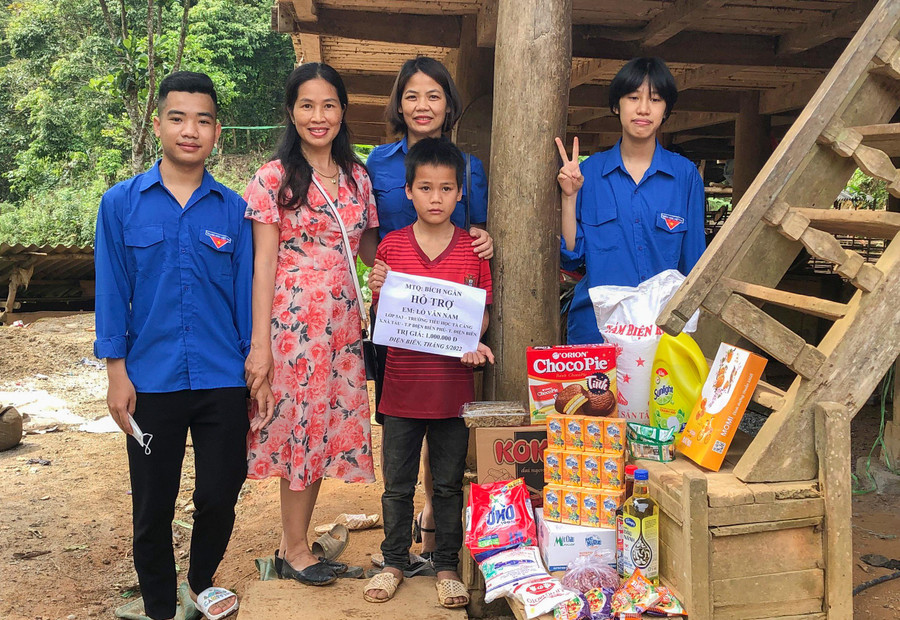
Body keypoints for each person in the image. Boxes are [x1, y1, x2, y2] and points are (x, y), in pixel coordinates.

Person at [94, 71, 261, 620]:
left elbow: (244, 296)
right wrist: (117, 371)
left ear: (217, 131)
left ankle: (199, 582)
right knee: (152, 505)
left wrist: (253, 367)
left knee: (219, 492)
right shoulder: (121, 204)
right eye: (178, 117)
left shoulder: (235, 210)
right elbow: (114, 290)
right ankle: (161, 608)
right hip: (151, 381)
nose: (191, 130)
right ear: (159, 122)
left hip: (222, 377)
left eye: (204, 120)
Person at [242, 63, 378, 587]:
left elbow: (368, 247)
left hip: (343, 331)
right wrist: (261, 347)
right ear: (291, 112)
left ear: (343, 112)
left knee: (321, 433)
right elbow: (263, 266)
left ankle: (292, 544)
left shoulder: (357, 177)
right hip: (294, 332)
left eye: (328, 106)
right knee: (300, 431)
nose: (317, 117)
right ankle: (295, 549)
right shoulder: (274, 178)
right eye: (306, 105)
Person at [365, 55, 493, 562]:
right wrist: (376, 273)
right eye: (412, 95)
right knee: (403, 429)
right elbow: (368, 230)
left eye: (434, 95)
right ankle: (401, 549)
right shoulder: (377, 161)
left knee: (444, 448)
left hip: (448, 324)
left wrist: (483, 240)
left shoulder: (470, 167)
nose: (422, 105)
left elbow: (479, 229)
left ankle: (437, 542)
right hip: (400, 317)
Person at [556, 57, 706, 344]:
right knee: (593, 393)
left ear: (666, 110)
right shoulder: (588, 173)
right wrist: (569, 197)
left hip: (661, 331)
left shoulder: (684, 175)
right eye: (633, 97)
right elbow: (572, 258)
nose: (643, 109)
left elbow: (694, 262)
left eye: (656, 99)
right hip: (596, 327)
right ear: (617, 106)